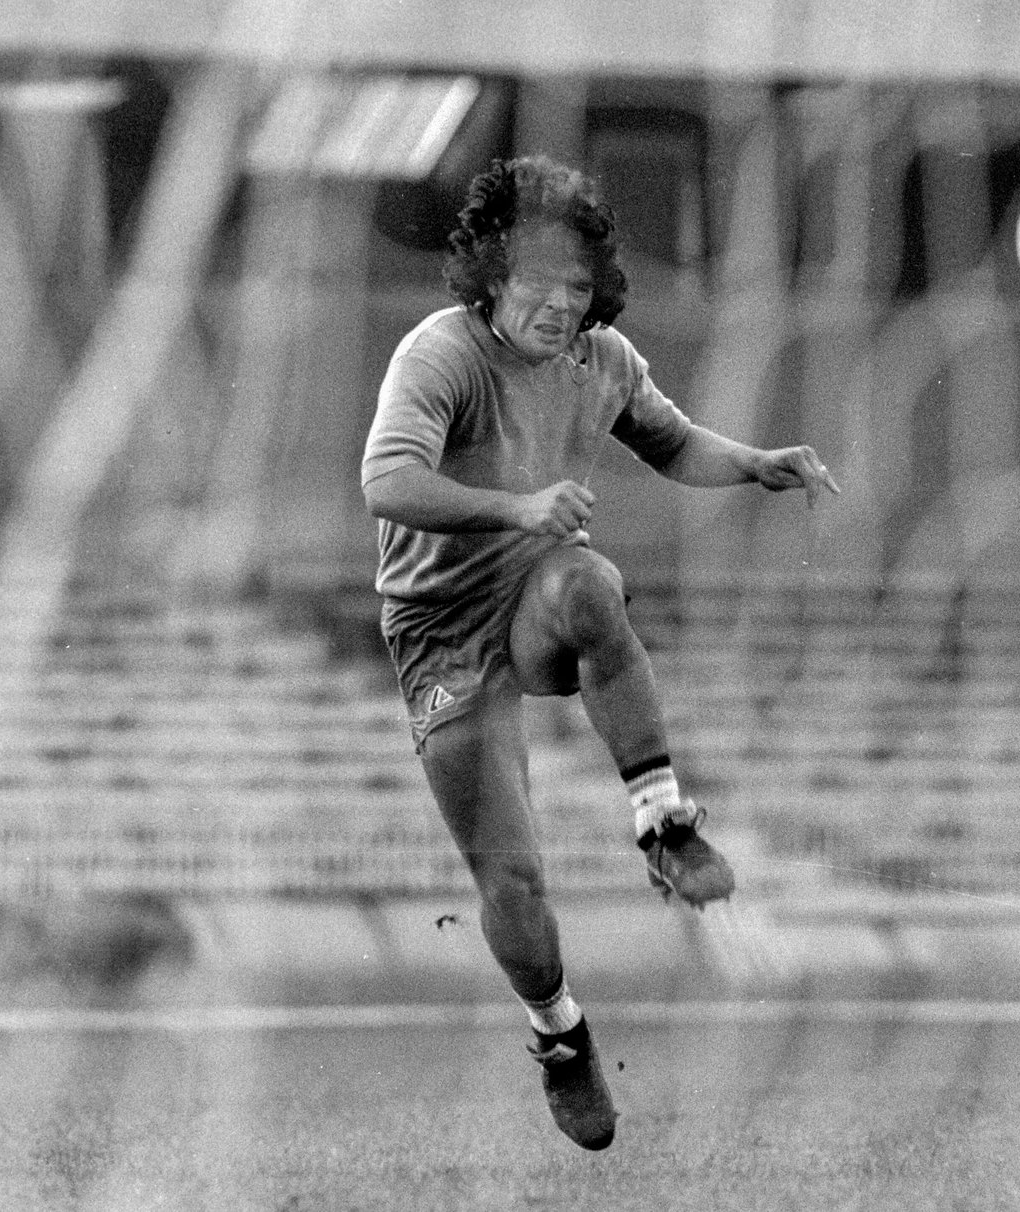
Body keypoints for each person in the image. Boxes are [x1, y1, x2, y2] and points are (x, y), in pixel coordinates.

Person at [360, 156, 839, 1151]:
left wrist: (750, 464)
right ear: (489, 273)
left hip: (537, 591)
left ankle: (662, 820)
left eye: (579, 287)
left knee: (588, 583)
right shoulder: (437, 354)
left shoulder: (602, 357)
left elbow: (668, 443)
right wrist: (516, 506)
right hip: (439, 627)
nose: (559, 302)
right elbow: (387, 481)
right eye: (539, 282)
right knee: (514, 886)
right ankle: (561, 1034)